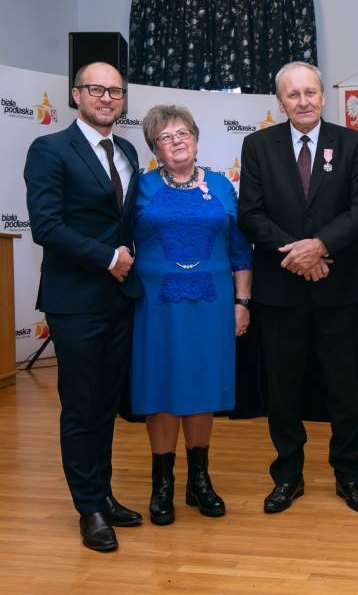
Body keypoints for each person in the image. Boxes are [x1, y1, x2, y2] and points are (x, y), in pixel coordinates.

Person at [238, 61, 358, 514]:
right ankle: (287, 476)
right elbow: (250, 215)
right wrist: (298, 255)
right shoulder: (258, 146)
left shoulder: (352, 143)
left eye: (310, 92)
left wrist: (319, 246)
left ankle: (348, 476)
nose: (303, 101)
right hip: (280, 290)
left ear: (323, 96)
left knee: (344, 389)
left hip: (339, 288)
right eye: (293, 95)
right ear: (281, 102)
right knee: (282, 391)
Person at [24, 62, 143, 551]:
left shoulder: (129, 151)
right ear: (76, 95)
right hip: (75, 301)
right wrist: (108, 258)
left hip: (120, 299)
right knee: (80, 405)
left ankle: (104, 494)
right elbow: (46, 226)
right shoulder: (50, 149)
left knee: (106, 405)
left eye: (115, 90)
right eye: (96, 89)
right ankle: (88, 508)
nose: (107, 97)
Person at [131, 105, 253, 526]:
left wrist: (242, 302)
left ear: (196, 139)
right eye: (165, 137)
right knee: (161, 387)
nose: (176, 141)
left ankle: (199, 480)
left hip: (212, 304)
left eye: (183, 133)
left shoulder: (220, 185)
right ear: (154, 148)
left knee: (202, 386)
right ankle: (162, 483)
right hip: (156, 305)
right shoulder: (141, 187)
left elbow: (240, 249)